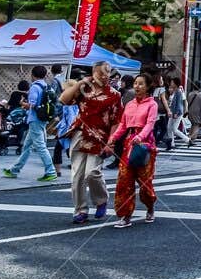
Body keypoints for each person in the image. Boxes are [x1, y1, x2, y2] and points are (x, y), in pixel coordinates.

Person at [59, 62, 122, 224]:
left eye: (107, 72)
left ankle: (101, 200)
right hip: (80, 133)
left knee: (92, 172)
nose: (105, 76)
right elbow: (64, 100)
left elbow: (116, 120)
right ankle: (80, 210)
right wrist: (79, 83)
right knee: (77, 175)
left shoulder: (114, 95)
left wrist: (111, 141)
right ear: (93, 73)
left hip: (100, 137)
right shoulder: (84, 89)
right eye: (101, 73)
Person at [108, 74, 160, 228]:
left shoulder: (152, 104)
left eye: (141, 84)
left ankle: (150, 206)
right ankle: (125, 215)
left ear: (148, 86)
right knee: (124, 181)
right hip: (128, 146)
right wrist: (113, 138)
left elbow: (150, 124)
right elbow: (123, 125)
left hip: (145, 146)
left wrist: (141, 136)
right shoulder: (129, 104)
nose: (137, 86)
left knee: (145, 183)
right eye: (136, 83)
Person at [2, 64, 59, 182]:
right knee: (27, 147)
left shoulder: (35, 87)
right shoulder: (47, 86)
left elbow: (32, 105)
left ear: (32, 75)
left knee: (41, 147)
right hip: (43, 118)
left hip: (35, 119)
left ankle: (51, 171)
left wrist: (23, 103)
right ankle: (14, 170)